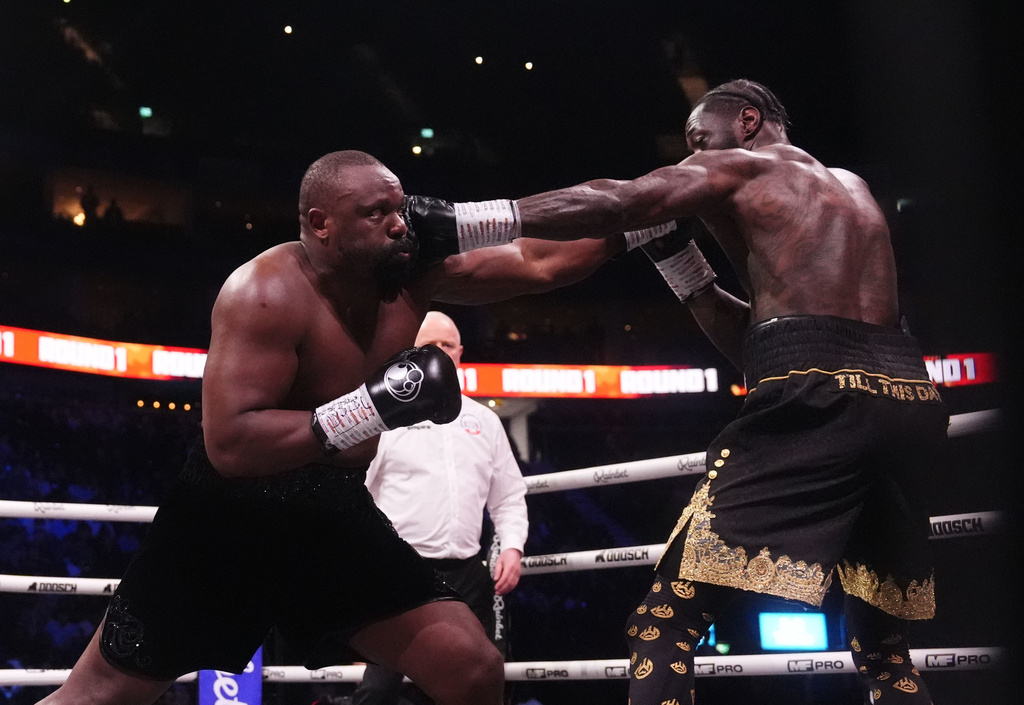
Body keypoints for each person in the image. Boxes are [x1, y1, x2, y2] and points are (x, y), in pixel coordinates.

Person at [37, 150, 626, 705]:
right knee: (99, 696)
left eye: (400, 207)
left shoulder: (411, 275)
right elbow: (231, 444)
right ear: (321, 224)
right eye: (376, 214)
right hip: (224, 521)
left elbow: (535, 260)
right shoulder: (264, 292)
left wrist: (629, 234)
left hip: (329, 512)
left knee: (471, 666)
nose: (400, 225)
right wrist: (376, 407)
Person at [507, 79, 948, 704]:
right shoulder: (853, 190)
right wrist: (680, 262)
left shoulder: (744, 168)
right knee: (883, 648)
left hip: (817, 400)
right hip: (908, 399)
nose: (692, 158)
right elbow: (770, 343)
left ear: (746, 122)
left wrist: (471, 219)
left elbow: (617, 200)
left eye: (698, 140)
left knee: (663, 623)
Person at [352, 310, 528, 705]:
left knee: (483, 678)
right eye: (429, 346)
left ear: (460, 353)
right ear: (411, 353)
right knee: (379, 688)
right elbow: (356, 488)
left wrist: (513, 546)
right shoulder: (387, 417)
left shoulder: (485, 422)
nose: (439, 353)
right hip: (401, 570)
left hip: (466, 572)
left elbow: (508, 495)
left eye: (447, 345)